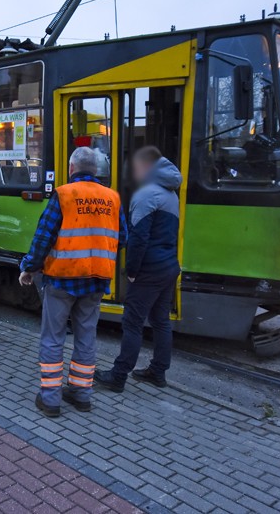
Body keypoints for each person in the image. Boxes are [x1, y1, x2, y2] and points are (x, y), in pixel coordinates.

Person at [19, 147, 127, 418]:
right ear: (96, 170)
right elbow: (123, 237)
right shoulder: (112, 198)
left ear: (71, 168)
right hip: (96, 281)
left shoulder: (64, 194)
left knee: (53, 339)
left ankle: (51, 400)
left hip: (62, 280)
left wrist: (29, 268)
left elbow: (43, 237)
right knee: (86, 338)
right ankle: (81, 395)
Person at [96, 146, 182, 393]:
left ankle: (118, 375)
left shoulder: (146, 195)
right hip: (168, 267)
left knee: (132, 322)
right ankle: (158, 372)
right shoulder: (170, 193)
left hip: (149, 270)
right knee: (160, 321)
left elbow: (138, 238)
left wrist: (131, 270)